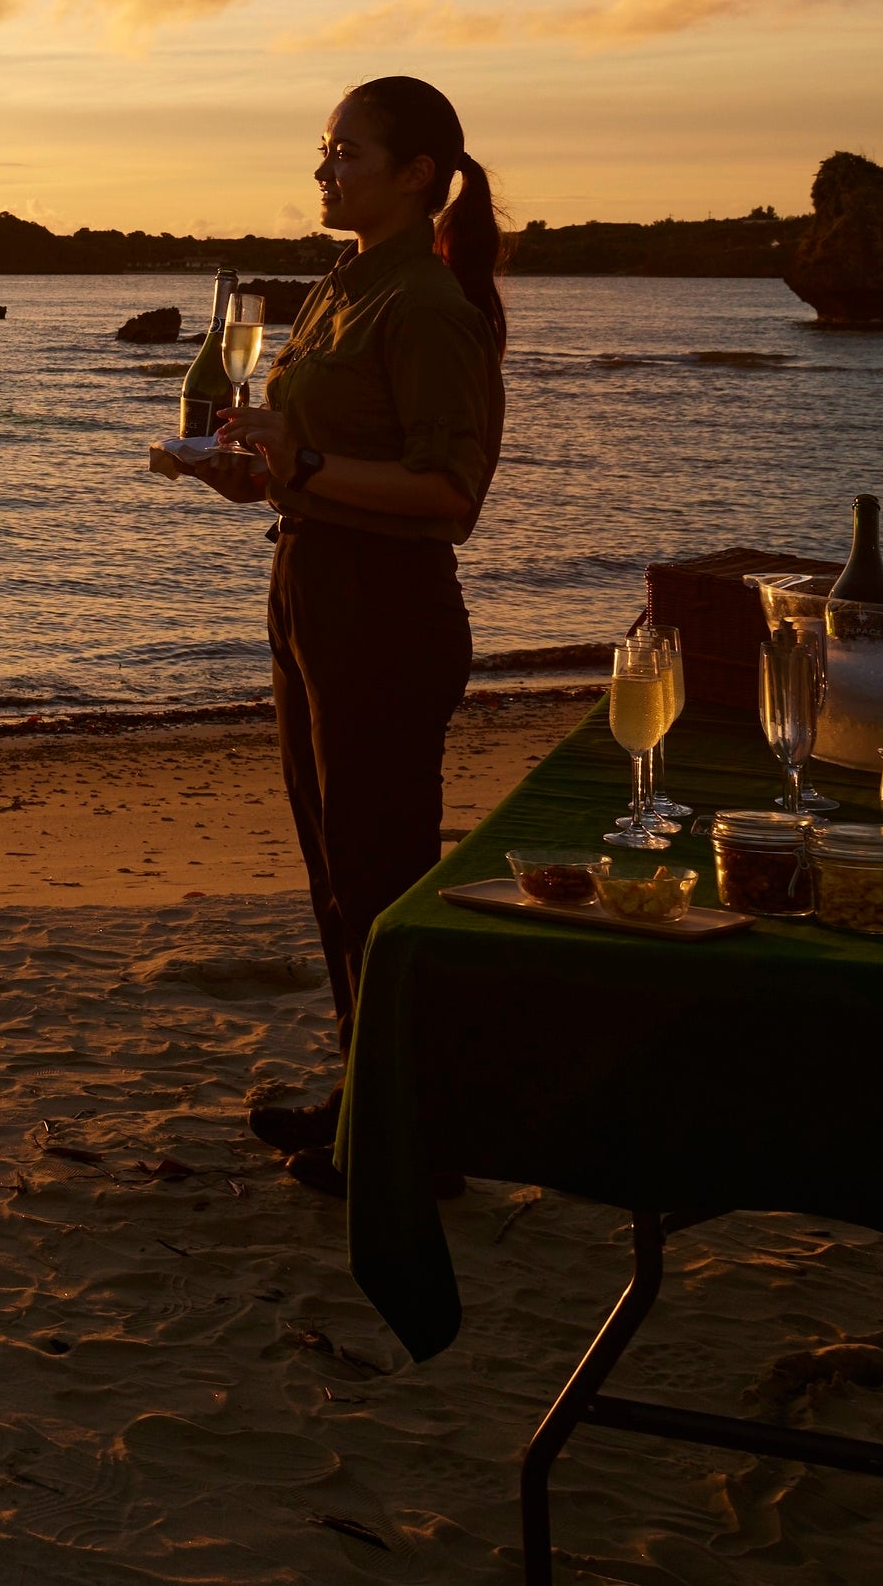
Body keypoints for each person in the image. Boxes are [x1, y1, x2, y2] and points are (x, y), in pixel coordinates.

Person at [157, 74, 506, 1195]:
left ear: (417, 175)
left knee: (383, 869)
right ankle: (369, 1095)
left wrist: (300, 468)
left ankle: (416, 1135)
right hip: (311, 587)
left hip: (388, 609)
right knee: (333, 866)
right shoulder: (336, 292)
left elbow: (451, 495)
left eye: (346, 153)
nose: (324, 170)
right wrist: (244, 473)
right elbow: (304, 473)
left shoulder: (428, 309)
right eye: (323, 150)